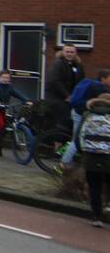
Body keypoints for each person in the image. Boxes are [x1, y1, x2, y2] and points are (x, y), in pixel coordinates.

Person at [63, 69, 110, 164]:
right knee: (77, 140)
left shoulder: (93, 83)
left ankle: (73, 160)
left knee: (78, 139)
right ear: (103, 78)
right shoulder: (100, 88)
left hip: (77, 112)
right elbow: (105, 99)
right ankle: (64, 163)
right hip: (81, 115)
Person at [77, 92, 110, 226]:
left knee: (94, 186)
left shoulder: (87, 115)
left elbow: (79, 136)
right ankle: (108, 204)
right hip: (108, 156)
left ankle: (97, 217)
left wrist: (83, 152)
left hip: (90, 156)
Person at [0, 70, 32, 156]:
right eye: (4, 77)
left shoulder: (9, 87)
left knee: (4, 128)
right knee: (0, 124)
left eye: (7, 78)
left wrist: (27, 100)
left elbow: (18, 94)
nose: (6, 79)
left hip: (3, 109)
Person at [46, 45, 85, 126]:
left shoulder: (78, 65)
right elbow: (54, 81)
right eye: (67, 52)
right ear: (62, 52)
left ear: (75, 53)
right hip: (59, 100)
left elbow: (82, 81)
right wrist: (66, 96)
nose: (69, 54)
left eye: (72, 52)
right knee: (62, 123)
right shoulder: (58, 64)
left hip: (73, 100)